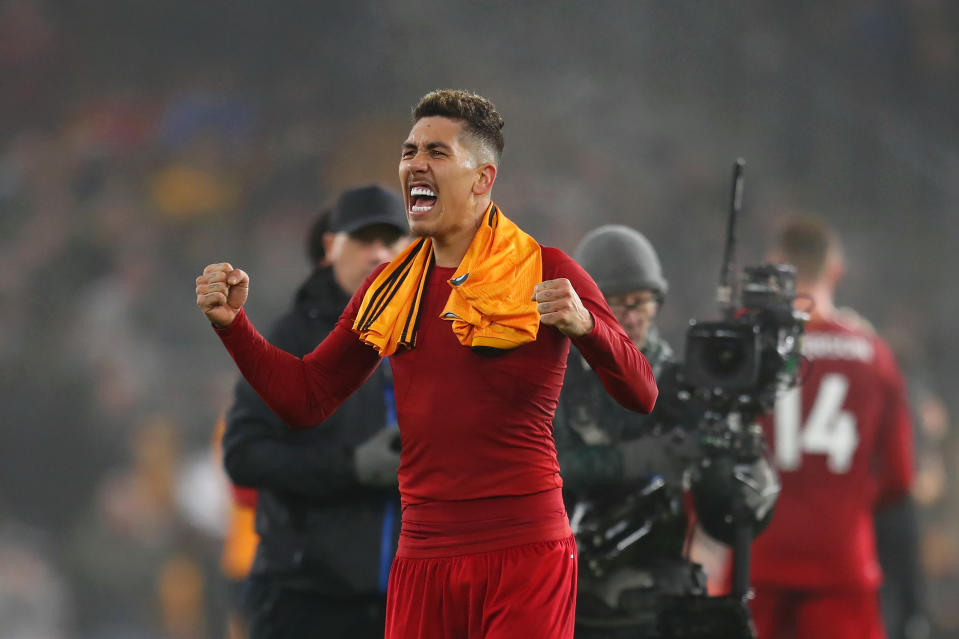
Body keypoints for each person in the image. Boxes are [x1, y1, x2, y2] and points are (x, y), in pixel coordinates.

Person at [195, 89, 658, 639]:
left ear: (483, 178)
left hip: (524, 550)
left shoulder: (546, 269)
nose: (415, 163)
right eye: (410, 150)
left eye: (437, 153)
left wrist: (590, 329)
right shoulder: (390, 286)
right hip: (422, 558)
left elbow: (642, 392)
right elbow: (307, 397)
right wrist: (233, 326)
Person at [220, 187, 409, 639]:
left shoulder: (435, 337)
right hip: (306, 601)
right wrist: (353, 468)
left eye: (391, 241)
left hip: (408, 605)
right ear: (330, 248)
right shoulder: (292, 338)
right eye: (364, 240)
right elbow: (243, 454)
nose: (378, 254)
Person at [749, 216, 915, 639]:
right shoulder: (873, 356)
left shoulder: (748, 349)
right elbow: (898, 478)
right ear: (836, 272)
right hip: (841, 566)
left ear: (773, 269)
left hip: (761, 562)